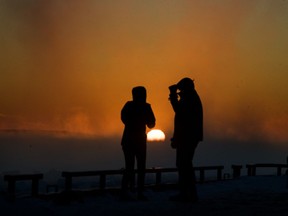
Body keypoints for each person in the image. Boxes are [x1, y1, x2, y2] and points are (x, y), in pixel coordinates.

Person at [168, 77, 203, 202]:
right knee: (185, 164)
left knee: (184, 164)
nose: (179, 92)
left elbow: (179, 112)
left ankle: (187, 194)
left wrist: (172, 95)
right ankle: (189, 193)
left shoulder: (189, 99)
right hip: (189, 136)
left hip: (187, 137)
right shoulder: (191, 97)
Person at [120, 86, 156, 200]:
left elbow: (125, 119)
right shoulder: (144, 107)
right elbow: (151, 124)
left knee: (131, 167)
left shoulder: (129, 106)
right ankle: (133, 192)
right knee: (138, 168)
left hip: (130, 140)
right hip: (137, 141)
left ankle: (129, 191)